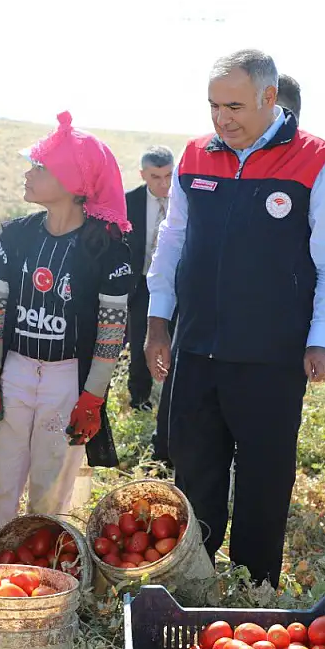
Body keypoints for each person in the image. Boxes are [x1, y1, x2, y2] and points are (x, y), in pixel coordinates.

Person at [145, 49, 325, 587]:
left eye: (234, 105)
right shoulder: (196, 156)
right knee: (195, 473)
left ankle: (255, 589)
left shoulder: (316, 160)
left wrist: (323, 336)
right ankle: (195, 581)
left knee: (264, 479)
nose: (222, 118)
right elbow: (173, 240)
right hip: (197, 349)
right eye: (214, 106)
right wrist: (157, 319)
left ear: (269, 98)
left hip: (271, 355)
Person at [0, 111, 132, 552]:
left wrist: (92, 396)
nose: (28, 173)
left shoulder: (107, 248)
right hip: (16, 369)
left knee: (53, 482)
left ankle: (46, 577)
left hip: (67, 377)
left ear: (74, 182)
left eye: (40, 167)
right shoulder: (17, 235)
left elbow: (111, 330)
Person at [124, 145, 176, 463]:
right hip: (140, 283)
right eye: (155, 177)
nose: (163, 184)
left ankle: (172, 398)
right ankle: (140, 399)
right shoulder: (129, 202)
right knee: (141, 339)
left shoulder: (184, 199)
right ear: (143, 175)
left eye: (169, 175)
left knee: (175, 340)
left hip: (175, 284)